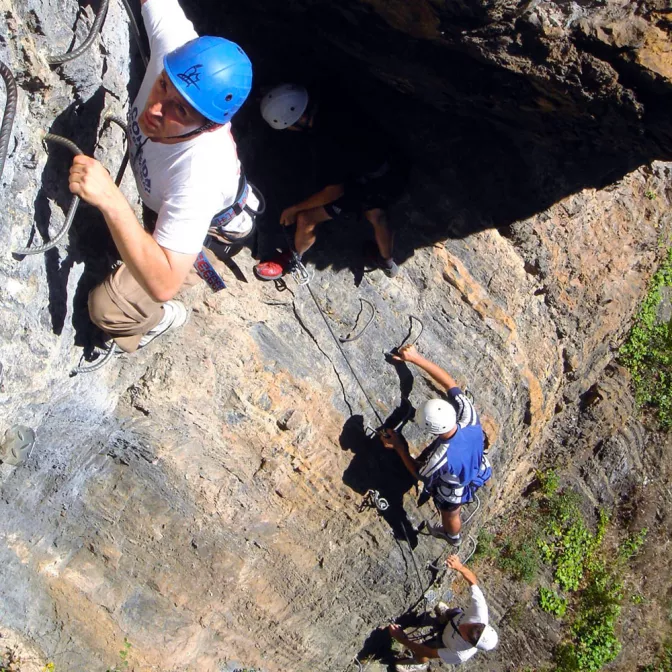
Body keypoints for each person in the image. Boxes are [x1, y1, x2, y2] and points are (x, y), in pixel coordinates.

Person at [69, 0, 254, 353]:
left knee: (106, 308)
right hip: (164, 199)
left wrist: (111, 199)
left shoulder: (200, 176)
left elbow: (165, 281)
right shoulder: (177, 50)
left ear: (208, 126)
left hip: (206, 221)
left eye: (180, 110)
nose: (156, 109)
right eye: (163, 85)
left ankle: (164, 320)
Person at [253, 83, 406, 281]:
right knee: (378, 216)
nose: (288, 130)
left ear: (298, 120)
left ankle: (293, 259)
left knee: (306, 218)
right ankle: (386, 261)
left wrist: (294, 209)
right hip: (391, 163)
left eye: (288, 126)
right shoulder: (331, 100)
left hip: (365, 183)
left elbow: (334, 191)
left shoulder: (328, 144)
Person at [381, 344, 491, 546]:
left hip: (454, 483)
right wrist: (415, 358)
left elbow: (419, 473)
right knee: (454, 506)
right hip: (476, 464)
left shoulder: (440, 457)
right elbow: (450, 384)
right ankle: (453, 534)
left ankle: (452, 536)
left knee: (451, 511)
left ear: (433, 430)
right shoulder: (469, 417)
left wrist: (399, 447)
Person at [388, 555, 498, 671]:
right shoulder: (479, 613)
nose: (464, 626)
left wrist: (401, 639)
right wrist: (459, 566)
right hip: (454, 619)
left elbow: (430, 653)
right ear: (480, 624)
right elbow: (473, 582)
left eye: (466, 632)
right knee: (455, 612)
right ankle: (444, 615)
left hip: (445, 642)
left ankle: (419, 663)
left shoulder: (460, 654)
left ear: (470, 642)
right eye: (470, 625)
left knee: (422, 652)